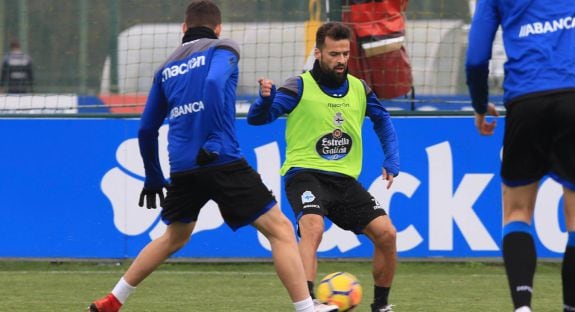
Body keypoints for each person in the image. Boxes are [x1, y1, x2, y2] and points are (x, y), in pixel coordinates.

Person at [88, 2, 337, 312]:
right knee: (281, 230)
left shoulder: (165, 68)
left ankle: (114, 300)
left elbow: (146, 129)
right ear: (218, 28)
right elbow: (213, 82)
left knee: (174, 237)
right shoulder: (224, 48)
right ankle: (305, 308)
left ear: (183, 28)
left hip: (182, 167)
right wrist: (215, 137)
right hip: (221, 160)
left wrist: (153, 176)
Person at [466, 1, 575, 312]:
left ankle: (522, 306)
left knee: (517, 212)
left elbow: (477, 58)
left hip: (527, 99)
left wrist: (480, 105)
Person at [247, 22, 400, 312]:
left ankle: (380, 305)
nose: (341, 60)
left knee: (387, 234)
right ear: (318, 53)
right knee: (313, 227)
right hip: (304, 175)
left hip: (343, 181)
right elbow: (259, 119)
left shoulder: (359, 88)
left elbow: (382, 119)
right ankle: (307, 303)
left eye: (345, 53)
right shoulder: (299, 86)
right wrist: (264, 102)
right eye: (334, 54)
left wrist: (391, 158)